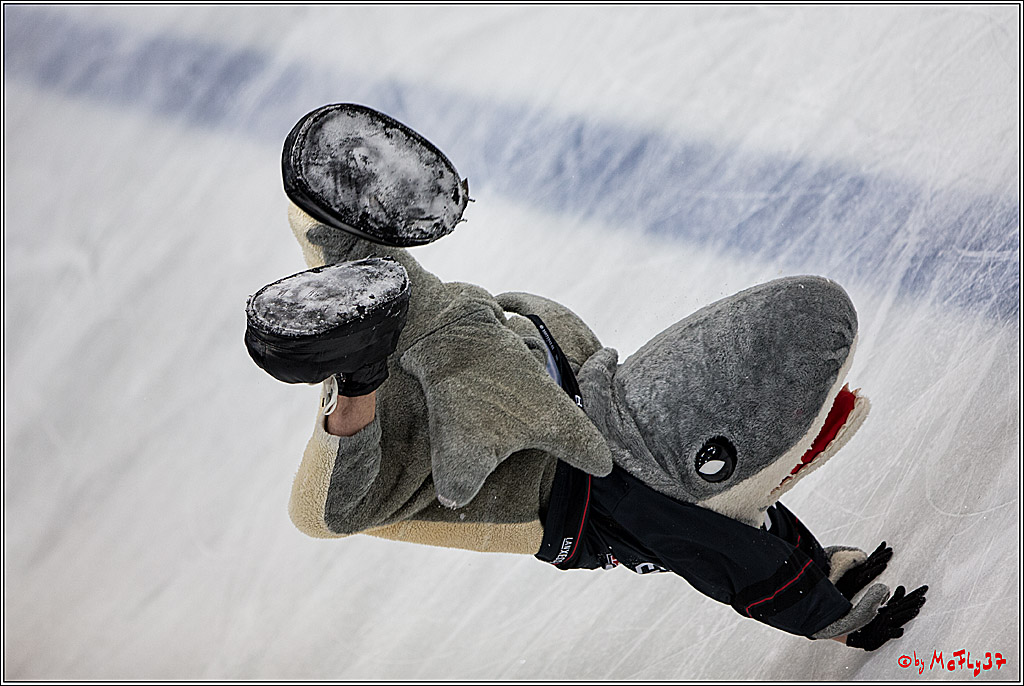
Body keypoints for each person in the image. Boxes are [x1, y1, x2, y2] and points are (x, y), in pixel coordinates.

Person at [245, 103, 927, 651]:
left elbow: (393, 291)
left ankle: (812, 565)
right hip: (587, 494)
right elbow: (319, 513)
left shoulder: (428, 317)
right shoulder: (410, 399)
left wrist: (325, 227)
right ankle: (815, 585)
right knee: (690, 507)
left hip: (599, 407)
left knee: (700, 483)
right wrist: (832, 616)